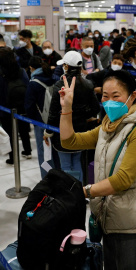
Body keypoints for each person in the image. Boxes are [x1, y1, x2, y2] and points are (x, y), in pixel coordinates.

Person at [59, 70, 136, 270]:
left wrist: (85, 192)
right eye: (105, 96)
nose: (109, 101)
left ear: (132, 96)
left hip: (133, 221)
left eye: (116, 96)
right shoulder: (108, 125)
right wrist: (67, 108)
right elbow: (70, 141)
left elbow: (123, 179)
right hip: (109, 216)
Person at [43, 51, 100, 182]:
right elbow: (95, 108)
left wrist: (48, 132)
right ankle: (78, 192)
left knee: (66, 165)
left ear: (66, 66)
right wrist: (81, 114)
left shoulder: (60, 85)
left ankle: (69, 196)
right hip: (81, 130)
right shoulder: (88, 84)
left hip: (62, 132)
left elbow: (53, 113)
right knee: (77, 162)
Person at [25, 56, 57, 178]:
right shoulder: (55, 78)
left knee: (44, 154)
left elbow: (29, 106)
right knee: (56, 152)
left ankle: (48, 179)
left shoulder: (34, 83)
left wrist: (35, 120)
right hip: (57, 122)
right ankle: (59, 178)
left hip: (41, 123)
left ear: (31, 68)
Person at [0, 47, 32, 165]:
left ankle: (13, 157)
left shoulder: (1, 72)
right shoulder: (20, 70)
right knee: (24, 129)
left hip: (5, 108)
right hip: (21, 105)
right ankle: (27, 151)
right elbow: (27, 86)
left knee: (9, 133)